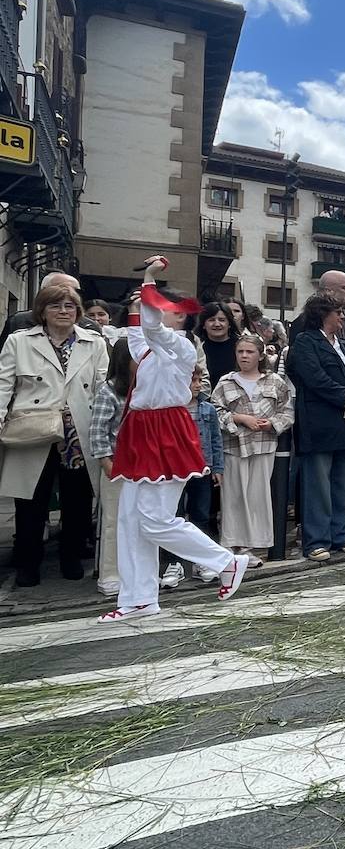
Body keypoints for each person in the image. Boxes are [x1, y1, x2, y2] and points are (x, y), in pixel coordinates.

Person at [99, 257, 253, 622]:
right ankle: (138, 599)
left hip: (164, 431)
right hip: (142, 431)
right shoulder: (148, 348)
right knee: (131, 520)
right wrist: (140, 302)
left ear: (179, 317)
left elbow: (149, 329)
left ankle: (226, 561)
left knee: (152, 518)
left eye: (168, 309)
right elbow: (138, 333)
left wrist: (151, 280)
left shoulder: (182, 347)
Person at [0, 283, 107, 587]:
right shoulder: (20, 341)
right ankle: (27, 562)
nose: (63, 311)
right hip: (33, 427)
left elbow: (102, 387)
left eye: (70, 306)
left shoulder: (94, 343)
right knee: (32, 499)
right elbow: (3, 384)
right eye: (56, 306)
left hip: (78, 429)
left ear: (78, 311)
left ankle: (71, 557)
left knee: (77, 499)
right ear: (42, 311)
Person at [286, 292, 345, 562]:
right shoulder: (305, 341)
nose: (343, 316)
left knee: (344, 484)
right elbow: (314, 377)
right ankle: (316, 540)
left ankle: (341, 534)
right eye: (338, 312)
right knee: (318, 485)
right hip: (319, 423)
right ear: (323, 314)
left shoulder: (343, 344)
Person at [213, 333, 295, 557]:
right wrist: (239, 419)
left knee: (258, 496)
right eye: (240, 352)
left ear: (260, 355)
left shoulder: (275, 382)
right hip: (234, 445)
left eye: (249, 352)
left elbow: (287, 412)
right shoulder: (225, 382)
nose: (244, 356)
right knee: (233, 497)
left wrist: (272, 424)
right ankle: (232, 545)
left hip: (264, 444)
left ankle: (252, 546)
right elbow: (215, 412)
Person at [161, 365, 223, 588]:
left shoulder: (207, 409)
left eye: (199, 380)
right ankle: (173, 563)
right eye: (192, 380)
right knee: (173, 516)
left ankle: (201, 561)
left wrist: (217, 468)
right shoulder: (168, 409)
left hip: (201, 468)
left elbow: (216, 439)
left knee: (201, 514)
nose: (197, 385)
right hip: (174, 470)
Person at [88, 338, 133, 596]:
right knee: (114, 521)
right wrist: (106, 461)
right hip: (116, 463)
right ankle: (110, 574)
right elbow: (98, 430)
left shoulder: (145, 388)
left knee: (138, 522)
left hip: (142, 465)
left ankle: (134, 572)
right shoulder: (109, 391)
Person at [195, 301, 241, 391]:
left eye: (222, 320)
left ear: (229, 324)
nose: (217, 324)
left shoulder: (242, 347)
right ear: (203, 325)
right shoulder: (197, 349)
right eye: (211, 320)